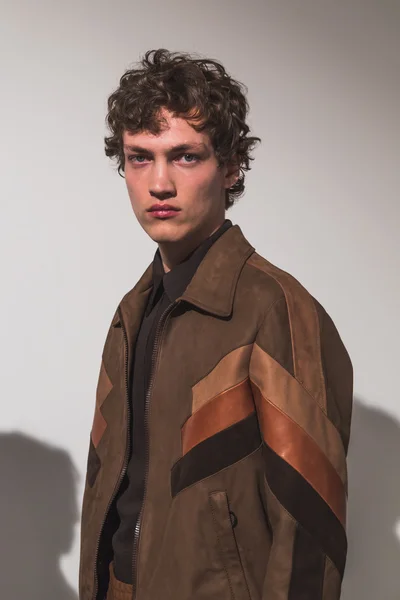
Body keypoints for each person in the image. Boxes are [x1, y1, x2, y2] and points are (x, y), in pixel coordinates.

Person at [79, 48, 353, 600]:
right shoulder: (132, 313)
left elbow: (311, 523)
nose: (159, 183)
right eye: (139, 157)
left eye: (184, 156)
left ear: (230, 167)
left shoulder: (275, 308)